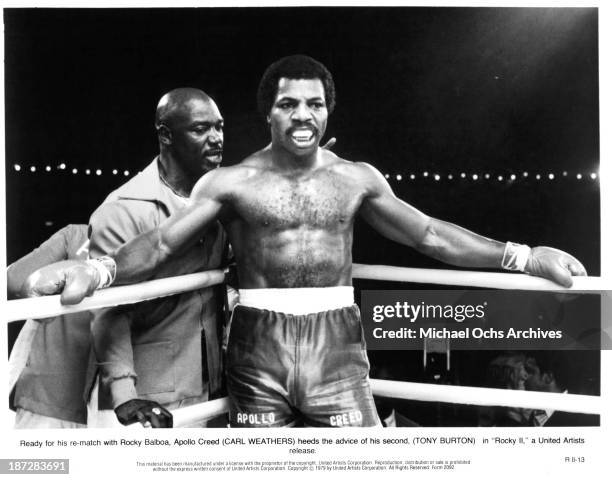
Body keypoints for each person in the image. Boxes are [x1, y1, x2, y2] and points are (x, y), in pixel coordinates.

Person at [24, 55, 587, 428]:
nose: (302, 115)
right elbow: (162, 244)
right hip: (257, 344)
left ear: (328, 111)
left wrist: (524, 256)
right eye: (289, 104)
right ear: (268, 113)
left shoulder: (356, 179)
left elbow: (431, 235)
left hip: (337, 343)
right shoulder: (230, 182)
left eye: (314, 104)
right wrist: (97, 271)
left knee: (360, 465)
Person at [87, 88, 228, 428]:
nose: (216, 138)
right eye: (200, 129)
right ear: (165, 134)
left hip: (212, 388)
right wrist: (125, 395)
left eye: (220, 127)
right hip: (146, 402)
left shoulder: (220, 199)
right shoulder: (123, 209)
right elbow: (108, 311)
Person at [8, 224, 92, 428]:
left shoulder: (78, 236)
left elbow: (13, 279)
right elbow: (13, 280)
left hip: (50, 392)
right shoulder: (156, 248)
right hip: (57, 393)